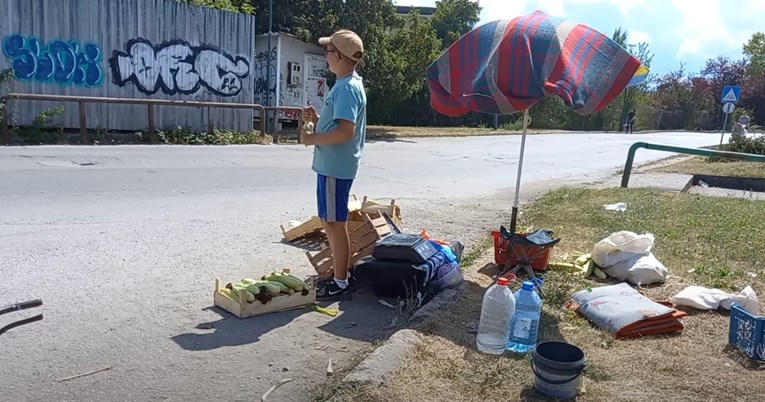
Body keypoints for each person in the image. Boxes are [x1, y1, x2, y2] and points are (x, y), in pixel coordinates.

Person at [300, 29, 367, 301]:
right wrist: (318, 119)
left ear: (338, 56)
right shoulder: (346, 85)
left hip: (334, 168)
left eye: (328, 51)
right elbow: (339, 125)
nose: (325, 55)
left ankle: (341, 282)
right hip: (333, 166)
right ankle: (341, 278)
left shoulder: (347, 89)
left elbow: (345, 132)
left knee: (333, 224)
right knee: (332, 222)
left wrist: (313, 137)